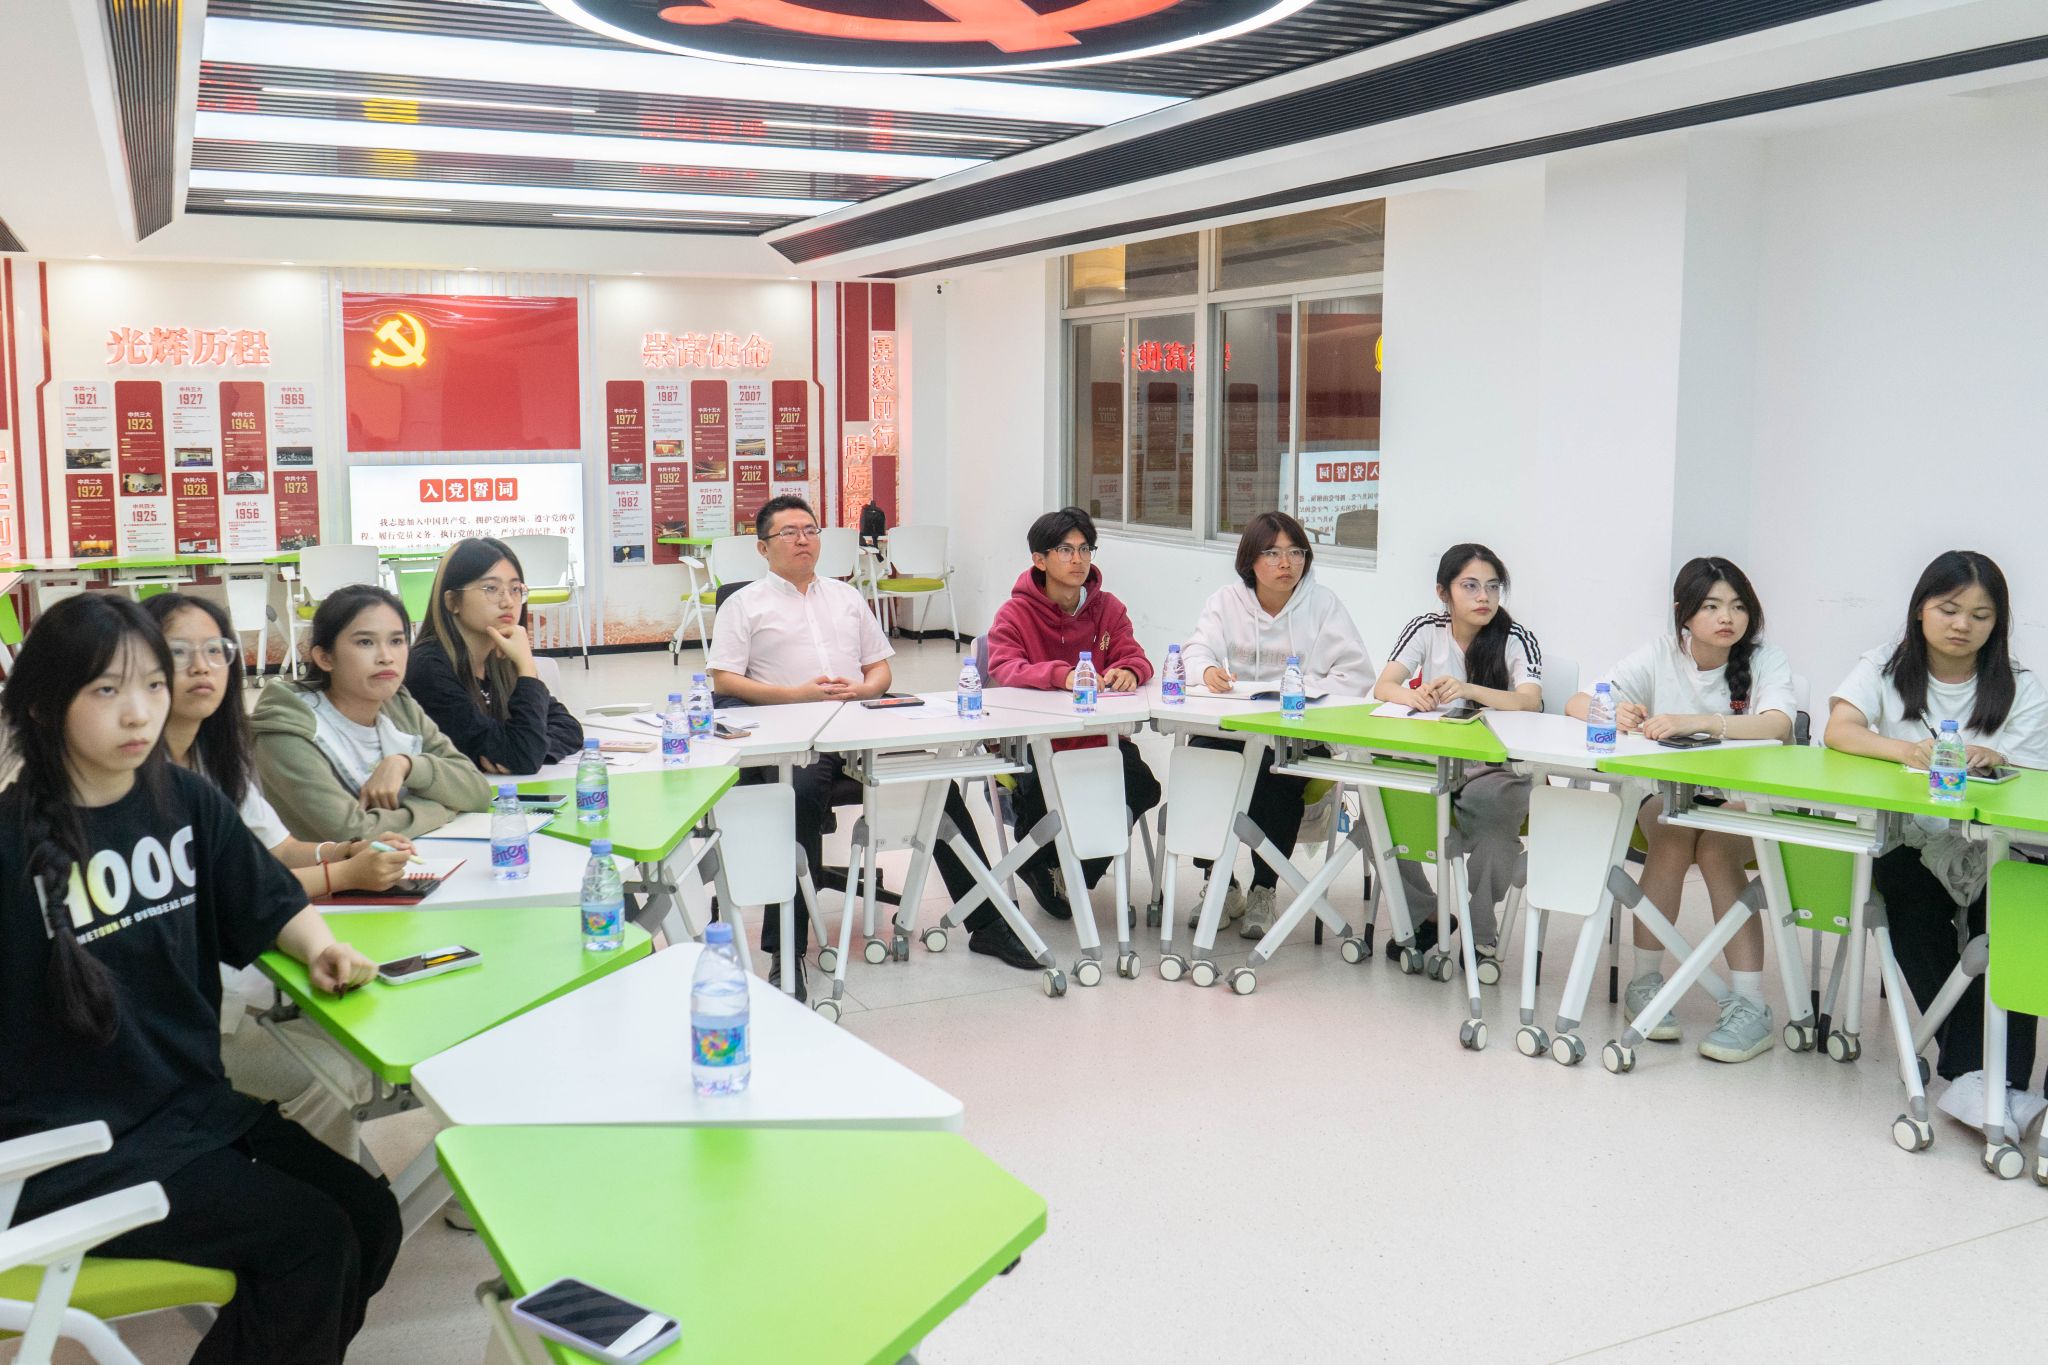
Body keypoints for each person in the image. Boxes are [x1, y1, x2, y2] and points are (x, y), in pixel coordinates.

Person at [0, 593, 399, 1365]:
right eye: (106, 690)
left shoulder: (185, 799)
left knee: (369, 1216)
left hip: (190, 1109)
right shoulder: (10, 844)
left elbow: (269, 898)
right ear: (44, 706)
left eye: (152, 685)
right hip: (74, 1152)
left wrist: (320, 946)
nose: (139, 712)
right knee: (311, 1244)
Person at [708, 495, 1038, 996]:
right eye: (789, 533)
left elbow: (880, 669)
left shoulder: (846, 597)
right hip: (794, 736)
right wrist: (794, 695)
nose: (803, 540)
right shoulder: (744, 604)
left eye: (810, 530)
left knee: (935, 785)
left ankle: (986, 923)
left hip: (859, 725)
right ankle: (786, 950)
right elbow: (724, 680)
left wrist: (865, 688)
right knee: (797, 796)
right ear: (763, 547)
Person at [145, 591, 412, 1153]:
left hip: (251, 973)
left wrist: (342, 851)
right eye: (179, 652)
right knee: (339, 1074)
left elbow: (279, 849)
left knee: (363, 1041)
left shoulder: (216, 755)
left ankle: (337, 1184)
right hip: (191, 1013)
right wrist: (346, 873)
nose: (202, 667)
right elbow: (231, 895)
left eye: (216, 651)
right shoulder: (134, 778)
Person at [1824, 550, 2048, 1133]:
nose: (1962, 625)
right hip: (1911, 838)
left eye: (1980, 615)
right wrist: (1904, 750)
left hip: (1998, 845)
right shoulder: (1883, 665)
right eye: (1949, 609)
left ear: (1997, 623)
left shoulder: (2020, 685)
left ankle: (1988, 1080)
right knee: (1908, 901)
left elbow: (2033, 778)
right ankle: (1987, 1081)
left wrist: (1997, 757)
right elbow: (1840, 730)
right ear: (1920, 608)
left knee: (2010, 922)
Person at [1566, 558, 1796, 1062]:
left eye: (1737, 606)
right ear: (1683, 613)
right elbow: (1577, 703)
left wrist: (1701, 722)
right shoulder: (1660, 654)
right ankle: (1646, 983)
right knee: (1670, 834)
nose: (1726, 617)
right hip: (1668, 795)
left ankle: (1750, 1004)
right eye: (1711, 606)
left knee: (1715, 849)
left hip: (1745, 799)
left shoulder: (1765, 660)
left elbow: (1778, 724)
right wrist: (1615, 711)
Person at [1181, 511, 1375, 938]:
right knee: (1200, 764)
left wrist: (1302, 693)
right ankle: (1220, 883)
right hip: (1236, 726)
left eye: (1296, 552)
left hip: (1298, 731)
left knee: (1274, 780)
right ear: (1250, 560)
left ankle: (1264, 889)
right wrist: (1207, 671)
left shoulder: (1323, 605)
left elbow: (1357, 675)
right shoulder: (1226, 602)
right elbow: (1195, 652)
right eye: (1272, 553)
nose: (1286, 563)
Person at [985, 505, 1163, 921]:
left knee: (1142, 787)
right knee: (1049, 793)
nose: (1078, 559)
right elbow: (1004, 667)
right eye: (1066, 550)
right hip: (1038, 741)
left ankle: (1070, 873)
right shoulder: (1015, 613)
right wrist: (1060, 675)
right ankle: (1040, 859)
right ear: (1040, 559)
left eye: (1085, 549)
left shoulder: (1108, 608)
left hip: (1101, 738)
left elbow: (1136, 656)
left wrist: (1128, 670)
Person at [1370, 542, 1543, 957]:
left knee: (1494, 822)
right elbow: (1384, 686)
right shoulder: (1426, 629)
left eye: (1493, 586)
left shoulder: (1515, 637)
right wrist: (1413, 696)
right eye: (1470, 586)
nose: (1484, 597)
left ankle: (1480, 926)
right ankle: (1427, 915)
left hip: (1496, 767)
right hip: (1433, 761)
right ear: (1442, 592)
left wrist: (1468, 689)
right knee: (1376, 816)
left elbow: (1530, 700)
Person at [252, 584, 493, 840]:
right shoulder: (287, 730)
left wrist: (406, 765)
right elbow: (351, 832)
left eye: (396, 641)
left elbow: (477, 793)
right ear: (325, 658)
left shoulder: (398, 706)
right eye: (365, 642)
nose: (386, 657)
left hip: (416, 859)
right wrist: (441, 808)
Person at [405, 536, 583, 775]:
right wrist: (527, 669)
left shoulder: (500, 660)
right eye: (491, 588)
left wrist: (530, 748)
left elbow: (568, 727)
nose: (508, 602)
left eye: (515, 589)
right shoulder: (428, 669)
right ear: (452, 601)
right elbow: (523, 756)